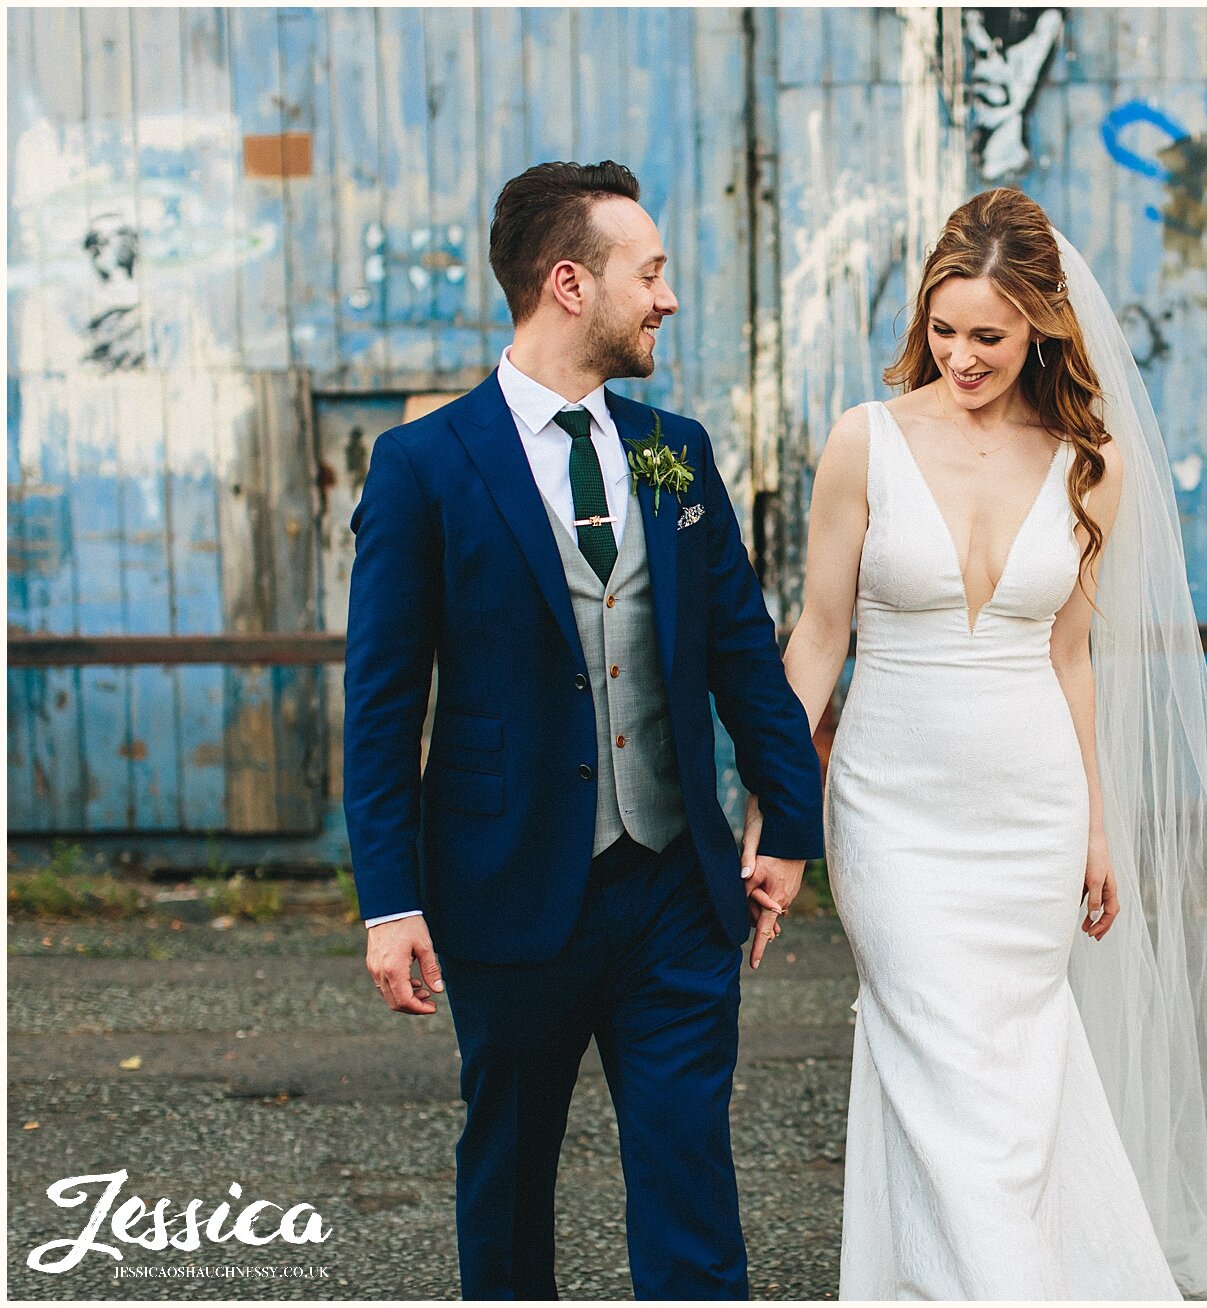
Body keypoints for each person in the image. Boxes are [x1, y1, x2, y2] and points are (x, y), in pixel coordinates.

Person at [775, 188, 1207, 1299]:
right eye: (945, 330)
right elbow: (816, 640)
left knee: (1010, 1076)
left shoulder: (1086, 462)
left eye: (990, 336)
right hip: (890, 810)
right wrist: (768, 809)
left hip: (1032, 811)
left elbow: (1071, 659)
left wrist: (1095, 823)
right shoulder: (864, 442)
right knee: (936, 1057)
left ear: (1042, 329)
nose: (963, 355)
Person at [342, 160, 822, 1299]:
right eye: (647, 273)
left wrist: (787, 826)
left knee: (691, 1186)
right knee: (507, 1183)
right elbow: (382, 703)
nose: (664, 297)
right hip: (505, 893)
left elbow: (742, 654)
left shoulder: (675, 448)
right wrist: (390, 901)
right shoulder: (423, 467)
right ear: (569, 283)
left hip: (673, 891)